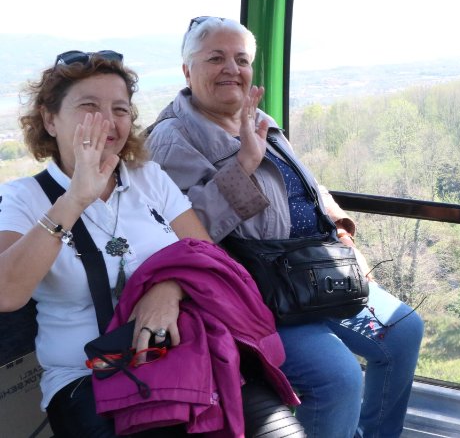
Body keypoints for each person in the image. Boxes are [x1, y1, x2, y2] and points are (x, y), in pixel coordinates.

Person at [145, 16, 424, 438]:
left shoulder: (258, 117)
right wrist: (244, 164)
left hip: (315, 273)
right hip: (261, 294)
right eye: (216, 58)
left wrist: (342, 231)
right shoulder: (173, 138)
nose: (231, 69)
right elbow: (185, 232)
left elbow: (306, 184)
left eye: (241, 60)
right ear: (187, 70)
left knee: (403, 331)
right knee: (339, 379)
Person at [0, 51, 297, 436]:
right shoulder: (24, 198)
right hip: (86, 376)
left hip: (182, 356)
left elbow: (206, 257)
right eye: (89, 106)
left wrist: (167, 289)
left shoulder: (149, 179)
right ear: (49, 119)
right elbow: (6, 293)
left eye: (120, 109)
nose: (107, 121)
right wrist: (74, 200)